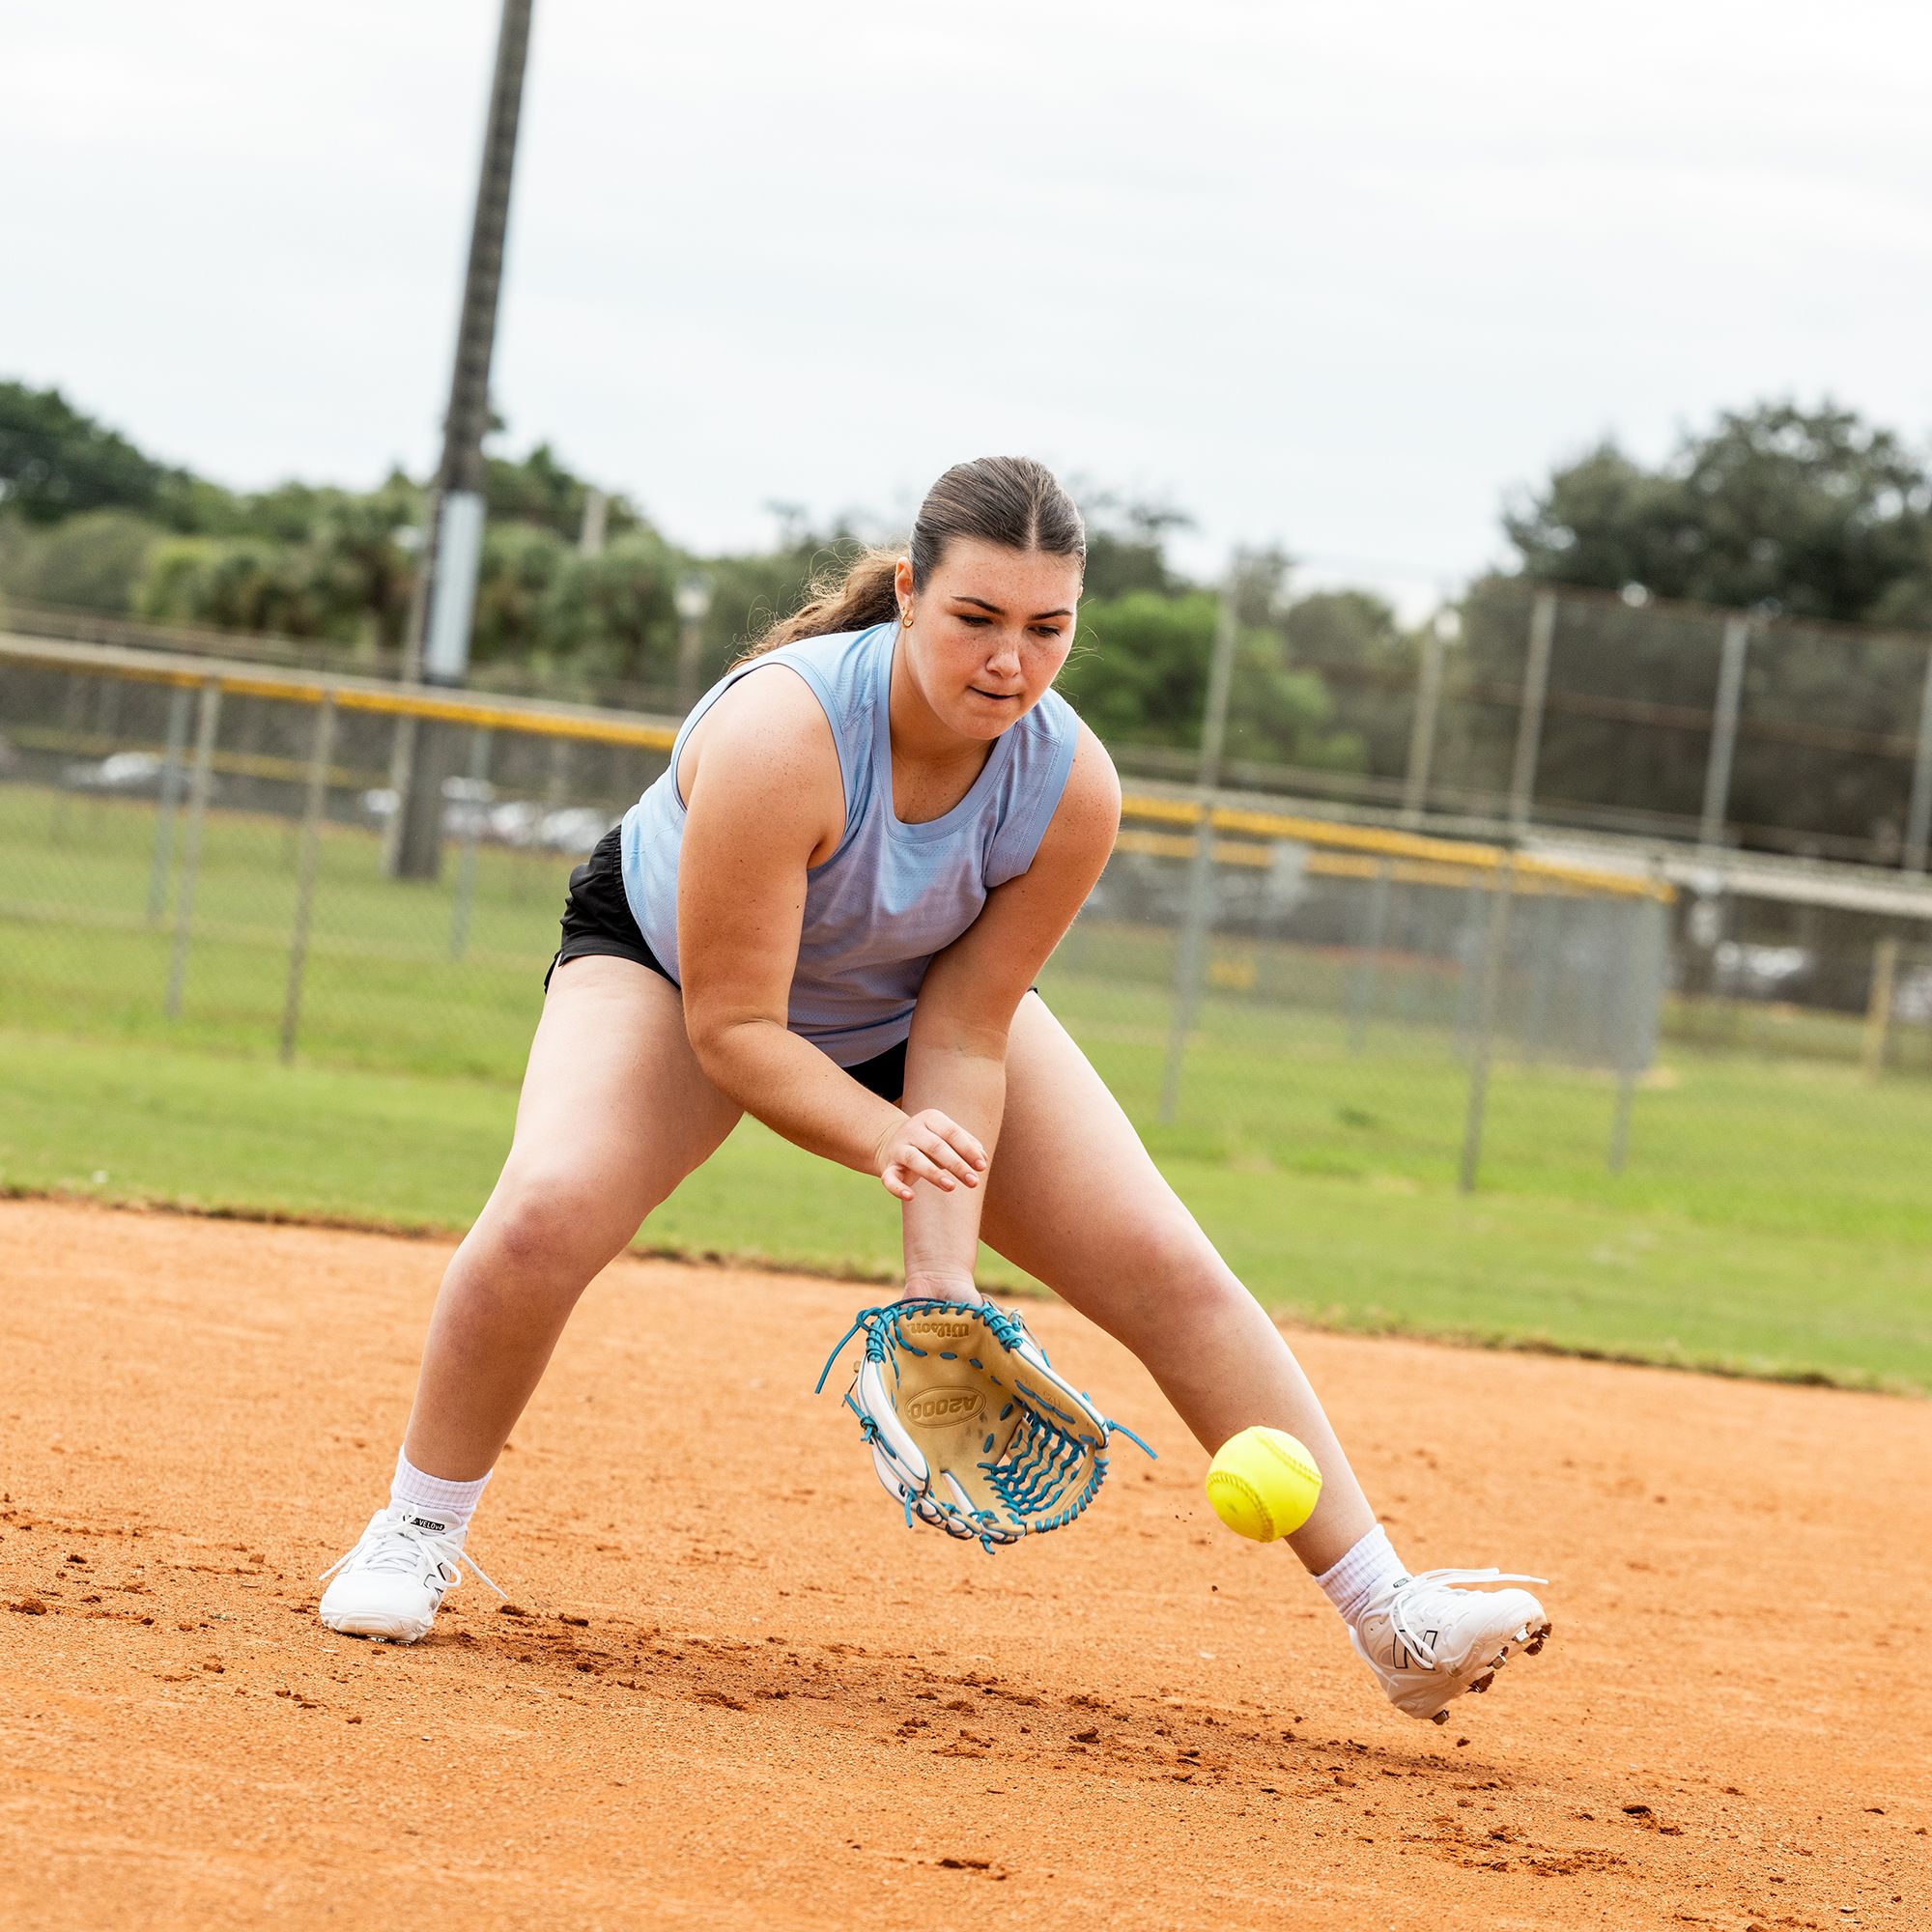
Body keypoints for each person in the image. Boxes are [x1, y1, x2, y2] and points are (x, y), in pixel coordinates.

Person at [318, 456, 1549, 1724]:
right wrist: (882, 1137)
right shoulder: (783, 734)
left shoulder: (1070, 785)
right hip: (676, 967)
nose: (1010, 661)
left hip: (908, 1005)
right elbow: (737, 1026)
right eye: (977, 618)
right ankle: (415, 1529)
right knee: (546, 1215)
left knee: (1169, 1267)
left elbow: (964, 1029)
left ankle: (1390, 1614)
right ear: (909, 595)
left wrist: (939, 1286)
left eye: (1047, 629)